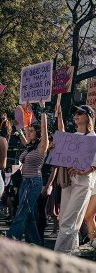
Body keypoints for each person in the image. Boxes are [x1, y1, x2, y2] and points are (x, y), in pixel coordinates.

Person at [54, 104, 96, 253]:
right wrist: (59, 115)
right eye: (75, 113)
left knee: (68, 221)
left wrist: (82, 171)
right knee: (67, 221)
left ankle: (57, 257)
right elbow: (61, 134)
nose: (76, 115)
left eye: (80, 113)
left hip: (82, 185)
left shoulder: (94, 138)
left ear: (88, 117)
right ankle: (72, 253)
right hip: (68, 183)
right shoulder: (73, 136)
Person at [7, 101, 48, 245]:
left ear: (37, 134)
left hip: (34, 182)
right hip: (25, 183)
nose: (28, 132)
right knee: (28, 214)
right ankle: (36, 244)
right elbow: (19, 128)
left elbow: (43, 128)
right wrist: (18, 116)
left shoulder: (42, 147)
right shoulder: (28, 146)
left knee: (21, 213)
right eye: (28, 130)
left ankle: (10, 242)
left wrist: (43, 109)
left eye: (31, 131)